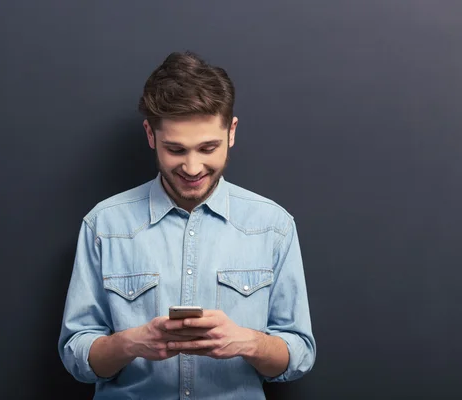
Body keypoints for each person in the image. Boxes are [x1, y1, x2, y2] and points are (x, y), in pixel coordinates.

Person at [58, 51, 316, 399]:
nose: (193, 168)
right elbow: (77, 357)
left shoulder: (274, 226)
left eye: (208, 147)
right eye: (175, 150)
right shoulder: (104, 224)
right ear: (150, 134)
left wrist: (248, 342)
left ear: (232, 132)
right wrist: (132, 342)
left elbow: (299, 354)